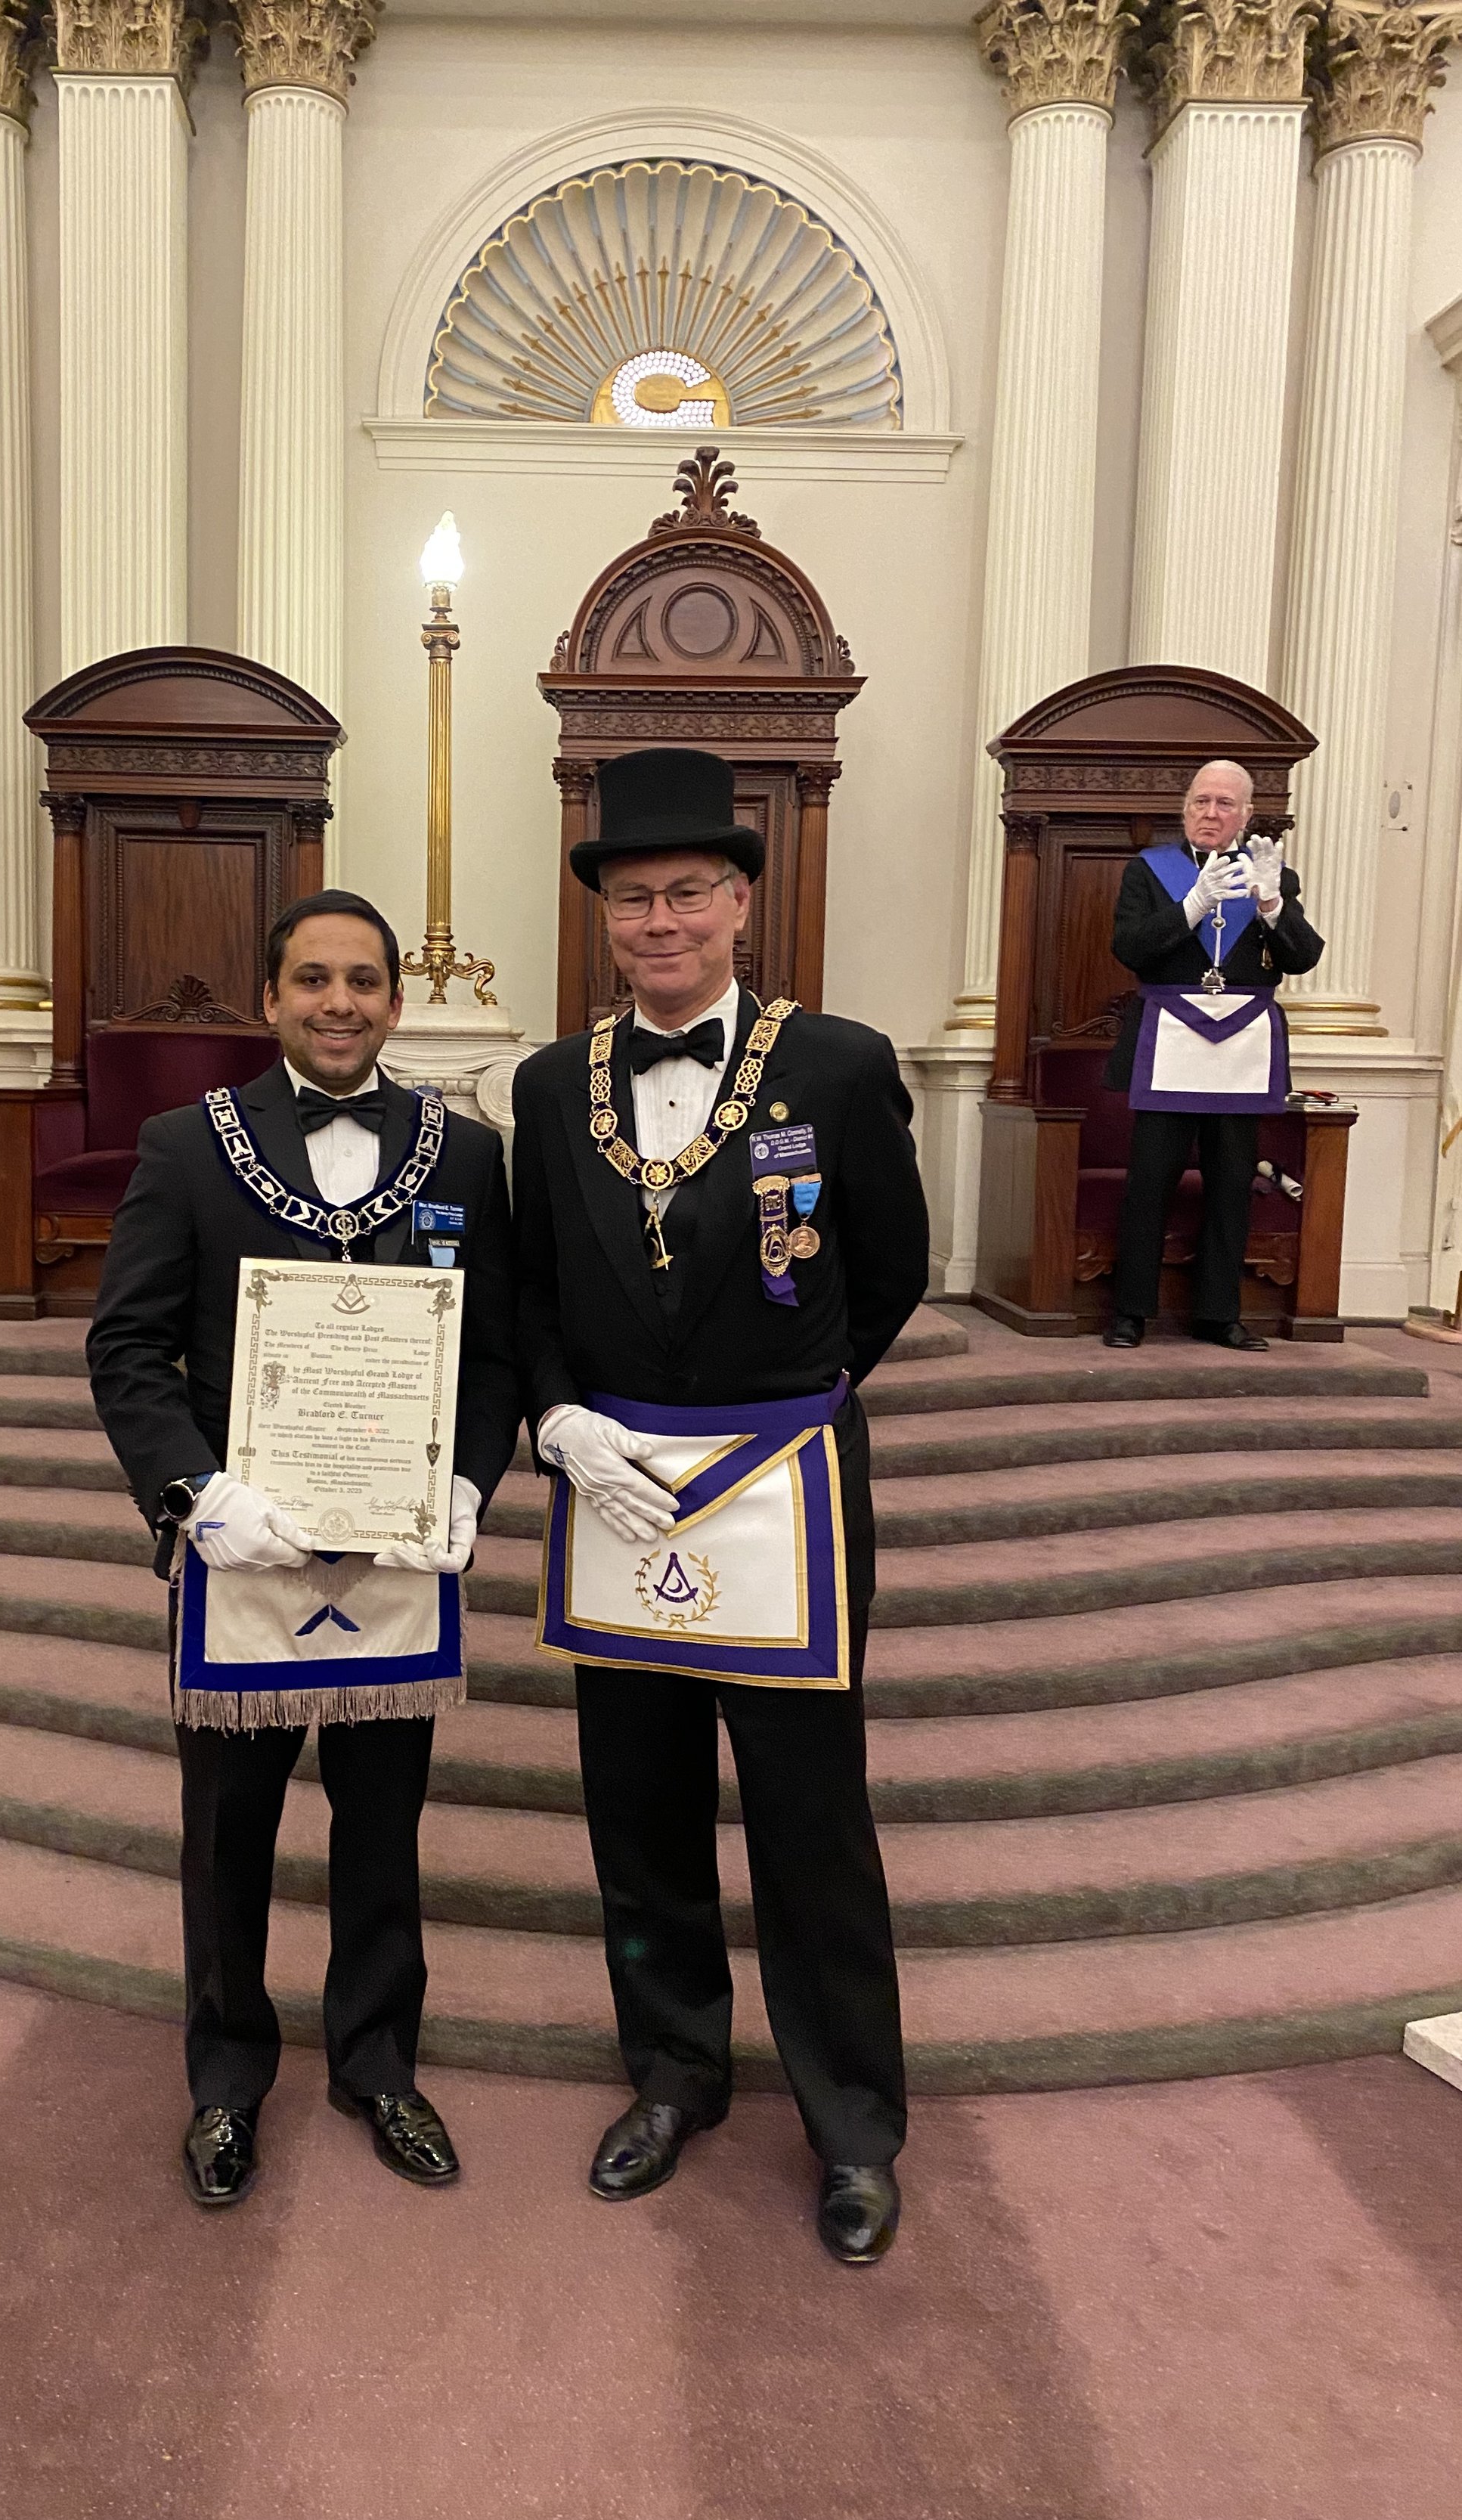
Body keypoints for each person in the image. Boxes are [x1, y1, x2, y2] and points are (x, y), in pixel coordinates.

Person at [510, 746, 928, 2265]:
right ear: (604, 917)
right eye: (632, 898)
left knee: (811, 1820)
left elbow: (888, 1268)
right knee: (639, 1810)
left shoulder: (833, 1062)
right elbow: (534, 1282)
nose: (660, 919)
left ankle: (854, 2127)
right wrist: (554, 1412)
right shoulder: (550, 1082)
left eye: (688, 890)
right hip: (615, 1490)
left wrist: (788, 1402)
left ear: (740, 900)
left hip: (783, 1493)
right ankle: (673, 2070)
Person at [88, 890, 521, 2208]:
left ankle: (379, 2062)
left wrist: (468, 1477)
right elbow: (127, 1348)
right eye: (314, 979)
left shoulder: (464, 1153)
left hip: (397, 1556)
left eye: (365, 981)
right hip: (243, 1552)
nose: (341, 1002)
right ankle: (226, 2083)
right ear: (270, 997)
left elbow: (494, 1349)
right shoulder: (184, 1145)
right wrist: (192, 1491)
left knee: (385, 1828)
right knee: (228, 1833)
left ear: (396, 1000)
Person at [1103, 759, 1325, 1352]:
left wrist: (1275, 907)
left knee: (1232, 1182)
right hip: (1170, 1040)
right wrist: (1193, 905)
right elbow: (1130, 948)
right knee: (1150, 1181)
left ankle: (1219, 1314)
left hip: (1242, 1049)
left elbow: (1304, 958)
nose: (1211, 812)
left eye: (1226, 803)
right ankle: (1130, 1311)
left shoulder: (1274, 875)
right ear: (1185, 809)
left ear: (1247, 814)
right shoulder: (1150, 872)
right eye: (1201, 801)